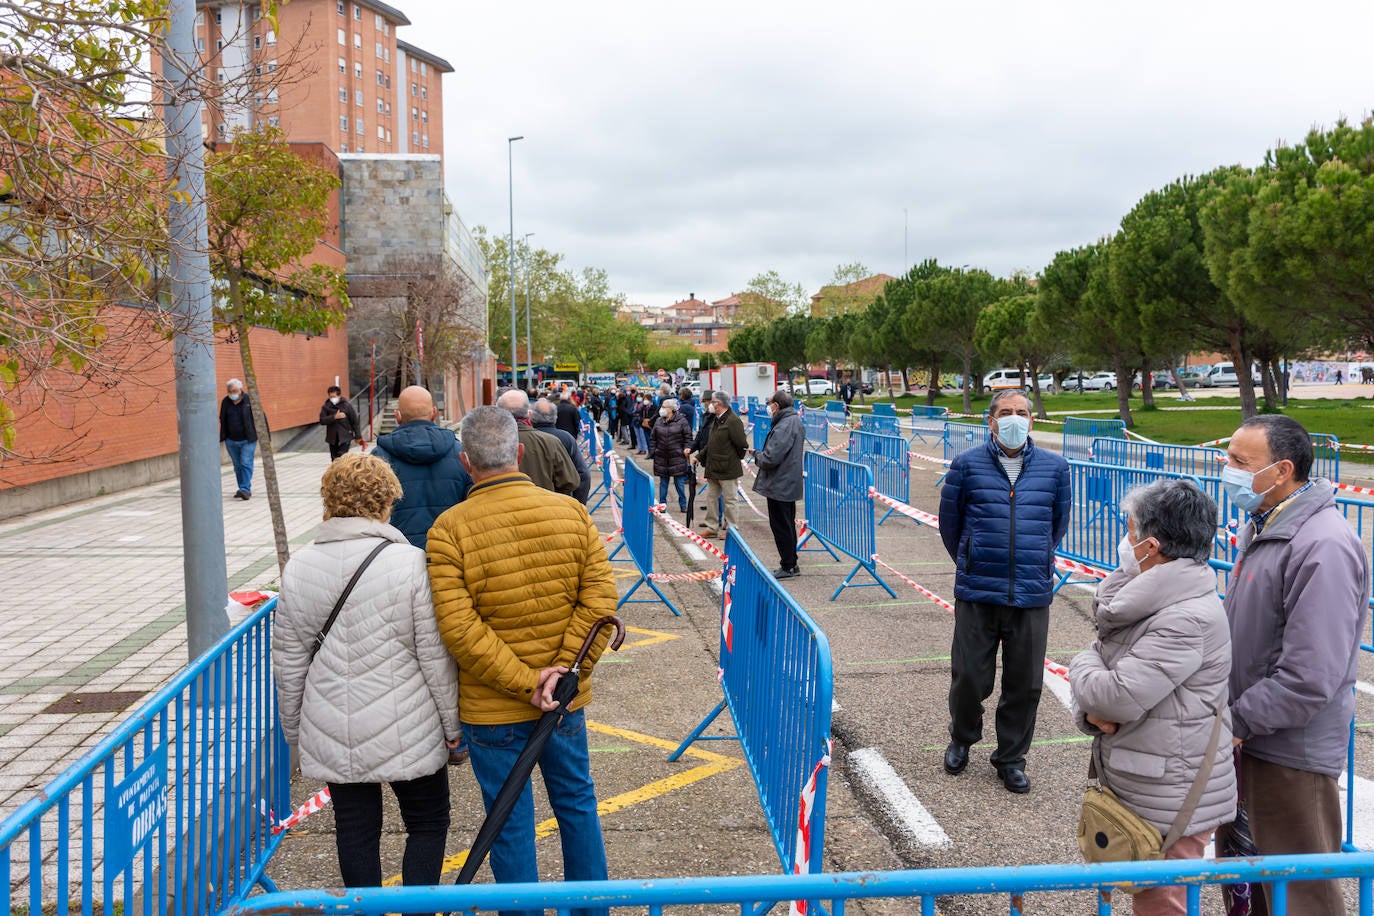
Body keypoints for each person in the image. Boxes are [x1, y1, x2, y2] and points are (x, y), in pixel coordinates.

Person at [428, 407, 616, 916]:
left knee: (507, 822)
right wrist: (560, 675)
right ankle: (591, 909)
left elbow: (460, 630)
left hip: (493, 708)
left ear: (467, 463)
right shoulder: (572, 513)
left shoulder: (448, 530)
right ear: (518, 452)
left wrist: (526, 681)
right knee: (577, 806)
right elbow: (599, 604)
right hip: (562, 702)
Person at [273, 453, 460, 890]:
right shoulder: (411, 562)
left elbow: (289, 659)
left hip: (332, 720)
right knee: (428, 822)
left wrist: (295, 731)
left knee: (355, 828)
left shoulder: (298, 567)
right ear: (387, 500)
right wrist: (452, 726)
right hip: (408, 720)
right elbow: (434, 656)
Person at [1218, 415, 1369, 914]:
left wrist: (1234, 721)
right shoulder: (1263, 525)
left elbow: (1310, 675)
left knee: (1297, 894)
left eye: (1240, 461)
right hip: (1246, 740)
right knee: (1248, 887)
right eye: (1228, 457)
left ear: (1282, 470)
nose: (1228, 469)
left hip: (1288, 753)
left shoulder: (1322, 544)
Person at [1069, 479, 1237, 916]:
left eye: (1129, 531)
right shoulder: (1151, 597)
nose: (1124, 541)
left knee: (1161, 902)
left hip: (1170, 789)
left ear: (1150, 546)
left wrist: (1078, 664)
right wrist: (1092, 704)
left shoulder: (1184, 617)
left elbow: (1115, 697)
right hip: (1149, 777)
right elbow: (1106, 694)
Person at [938, 389, 1071, 793]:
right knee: (969, 678)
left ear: (1031, 420)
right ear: (991, 421)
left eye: (1023, 412)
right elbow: (950, 525)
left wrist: (1035, 559)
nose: (1015, 419)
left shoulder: (1055, 468)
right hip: (979, 590)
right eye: (1007, 413)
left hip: (1030, 594)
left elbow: (1057, 525)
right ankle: (962, 737)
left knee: (1025, 682)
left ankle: (1011, 757)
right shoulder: (966, 466)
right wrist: (971, 558)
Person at [370, 386, 472, 549]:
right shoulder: (460, 452)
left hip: (398, 552)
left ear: (398, 415)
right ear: (433, 413)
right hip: (449, 550)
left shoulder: (379, 457)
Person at [750, 390, 805, 578]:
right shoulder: (792, 420)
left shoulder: (785, 425)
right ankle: (791, 563)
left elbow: (771, 458)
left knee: (782, 526)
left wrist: (757, 455)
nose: (768, 406)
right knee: (786, 524)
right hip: (786, 481)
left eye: (770, 403)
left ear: (777, 405)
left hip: (781, 483)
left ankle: (788, 565)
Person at [496, 388, 579, 497]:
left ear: (498, 413)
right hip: (544, 507)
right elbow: (570, 481)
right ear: (529, 414)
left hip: (498, 509)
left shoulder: (486, 443)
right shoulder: (551, 442)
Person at [697, 390, 747, 539]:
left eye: (711, 402)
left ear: (718, 404)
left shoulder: (733, 421)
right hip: (714, 468)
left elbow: (741, 445)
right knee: (711, 498)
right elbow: (711, 443)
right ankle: (712, 527)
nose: (709, 405)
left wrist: (731, 458)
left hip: (728, 468)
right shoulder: (716, 419)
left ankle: (732, 528)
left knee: (730, 500)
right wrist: (699, 457)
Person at [532, 396, 591, 504]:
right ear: (555, 416)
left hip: (532, 499)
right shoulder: (566, 438)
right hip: (561, 500)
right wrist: (578, 504)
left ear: (531, 416)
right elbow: (583, 474)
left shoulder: (523, 439)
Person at [649, 397, 692, 513]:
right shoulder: (659, 421)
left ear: (671, 409)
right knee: (663, 483)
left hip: (677, 457)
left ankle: (683, 504)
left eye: (664, 407)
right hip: (661, 457)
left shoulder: (681, 421)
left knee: (679, 484)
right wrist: (653, 452)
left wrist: (686, 449)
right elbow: (653, 438)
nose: (661, 409)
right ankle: (662, 504)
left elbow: (688, 437)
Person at [219, 378, 257, 500]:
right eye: (230, 391)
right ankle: (242, 487)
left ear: (241, 390)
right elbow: (222, 418)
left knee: (245, 462)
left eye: (235, 391)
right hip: (231, 440)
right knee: (237, 465)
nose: (232, 394)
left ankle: (245, 489)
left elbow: (260, 417)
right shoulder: (226, 402)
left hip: (247, 439)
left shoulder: (249, 401)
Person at [318, 385, 366, 461]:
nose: (332, 399)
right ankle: (336, 472)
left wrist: (358, 436)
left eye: (334, 396)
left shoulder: (347, 406)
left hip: (346, 436)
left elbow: (355, 421)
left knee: (342, 456)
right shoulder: (326, 406)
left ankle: (343, 471)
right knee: (334, 459)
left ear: (339, 395)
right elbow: (322, 420)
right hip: (332, 438)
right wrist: (334, 417)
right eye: (330, 397)